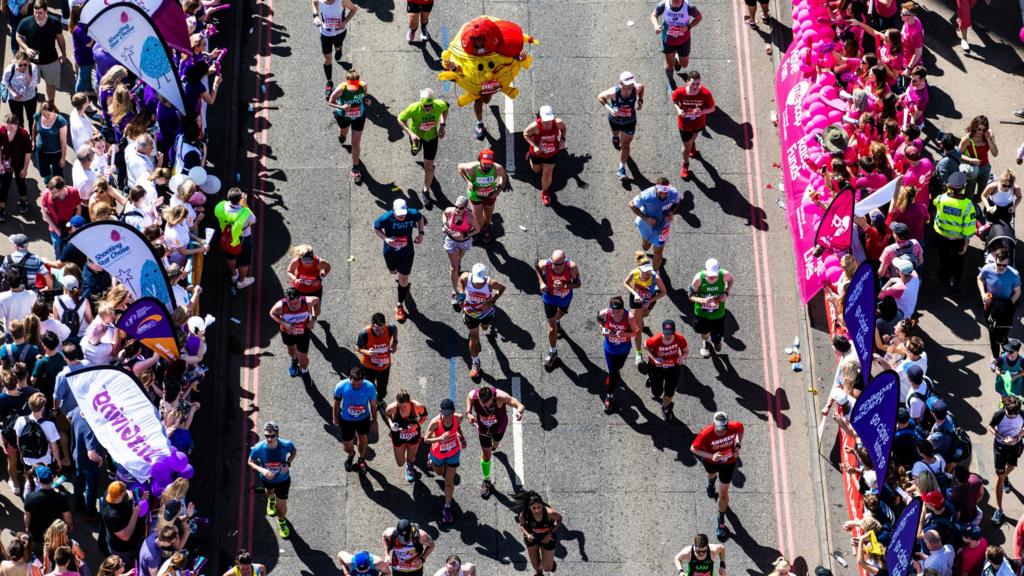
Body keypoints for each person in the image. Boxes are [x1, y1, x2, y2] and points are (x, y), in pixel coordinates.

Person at [691, 411, 744, 540]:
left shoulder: (735, 426)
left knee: (724, 494)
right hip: (711, 462)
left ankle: (720, 520)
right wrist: (711, 456)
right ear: (714, 424)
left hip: (729, 462)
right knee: (711, 475)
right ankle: (710, 483)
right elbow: (693, 449)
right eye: (719, 430)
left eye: (724, 429)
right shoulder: (705, 434)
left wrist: (737, 447)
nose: (722, 432)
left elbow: (741, 431)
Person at [465, 384, 524, 499]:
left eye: (489, 404)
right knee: (486, 455)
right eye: (484, 405)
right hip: (483, 430)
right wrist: (468, 412)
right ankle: (487, 480)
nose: (487, 407)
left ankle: (495, 447)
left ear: (493, 397)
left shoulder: (501, 396)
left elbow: (519, 405)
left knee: (496, 444)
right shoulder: (474, 395)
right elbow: (469, 397)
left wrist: (519, 412)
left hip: (499, 427)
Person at [373, 198, 425, 323]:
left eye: (403, 214)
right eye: (399, 214)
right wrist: (385, 239)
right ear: (394, 211)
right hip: (390, 252)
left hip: (407, 252)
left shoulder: (412, 213)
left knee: (403, 279)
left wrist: (421, 233)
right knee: (393, 272)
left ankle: (399, 305)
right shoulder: (386, 217)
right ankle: (401, 281)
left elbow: (420, 218)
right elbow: (375, 227)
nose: (402, 217)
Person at [398, 89, 448, 207]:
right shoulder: (413, 108)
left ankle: (425, 191)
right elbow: (400, 118)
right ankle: (416, 149)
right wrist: (410, 133)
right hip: (417, 136)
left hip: (432, 138)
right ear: (421, 103)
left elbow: (445, 109)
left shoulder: (439, 104)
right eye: (425, 106)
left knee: (429, 166)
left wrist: (442, 125)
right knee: (415, 152)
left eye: (430, 105)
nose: (428, 108)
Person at [247, 421, 296, 538]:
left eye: (272, 436)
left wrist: (288, 463)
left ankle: (281, 521)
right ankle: (271, 500)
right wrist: (262, 470)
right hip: (267, 480)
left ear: (277, 434)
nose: (269, 439)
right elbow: (250, 461)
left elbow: (293, 451)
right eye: (267, 436)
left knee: (281, 507)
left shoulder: (286, 444)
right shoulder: (258, 448)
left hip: (283, 480)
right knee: (269, 493)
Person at [459, 263, 505, 379]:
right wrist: (463, 293)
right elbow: (461, 280)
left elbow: (502, 288)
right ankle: (475, 362)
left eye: (480, 281)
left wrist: (492, 301)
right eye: (476, 280)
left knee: (485, 328)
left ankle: (486, 333)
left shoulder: (491, 283)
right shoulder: (466, 277)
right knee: (474, 337)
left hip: (486, 314)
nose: (478, 283)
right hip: (470, 312)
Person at [535, 250, 581, 367]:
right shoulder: (547, 264)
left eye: (558, 265)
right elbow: (536, 264)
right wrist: (541, 282)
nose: (555, 267)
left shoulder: (572, 267)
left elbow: (578, 284)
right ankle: (553, 351)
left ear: (564, 262)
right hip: (549, 298)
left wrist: (564, 285)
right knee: (551, 328)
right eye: (554, 264)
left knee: (560, 314)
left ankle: (557, 322)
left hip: (564, 298)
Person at [932, 171, 976, 292]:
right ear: (963, 187)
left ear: (949, 186)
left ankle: (943, 277)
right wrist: (966, 244)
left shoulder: (941, 199)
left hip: (941, 238)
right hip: (958, 241)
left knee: (944, 258)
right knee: (958, 264)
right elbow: (969, 228)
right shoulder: (967, 205)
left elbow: (935, 202)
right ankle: (955, 283)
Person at [15, 0, 66, 103]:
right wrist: (27, 49)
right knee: (31, 83)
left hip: (51, 60)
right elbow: (18, 36)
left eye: (40, 13)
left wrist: (63, 53)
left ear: (46, 11)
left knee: (50, 84)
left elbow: (60, 38)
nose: (37, 15)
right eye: (35, 12)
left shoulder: (55, 22)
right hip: (32, 62)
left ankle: (51, 103)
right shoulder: (26, 22)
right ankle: (33, 99)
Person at [597, 71, 645, 179]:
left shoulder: (636, 88)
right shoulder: (614, 92)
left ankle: (621, 168)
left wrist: (640, 100)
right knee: (616, 133)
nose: (630, 87)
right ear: (621, 83)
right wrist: (609, 109)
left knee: (625, 145)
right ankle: (614, 136)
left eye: (632, 84)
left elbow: (642, 87)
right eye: (627, 84)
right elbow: (600, 97)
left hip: (630, 121)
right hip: (615, 120)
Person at [425, 398, 465, 523]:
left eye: (450, 414)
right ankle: (431, 461)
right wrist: (440, 438)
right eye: (445, 414)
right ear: (440, 412)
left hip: (453, 452)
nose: (448, 417)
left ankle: (447, 508)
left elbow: (457, 428)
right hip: (438, 454)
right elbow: (426, 439)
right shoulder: (435, 422)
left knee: (449, 482)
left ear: (453, 412)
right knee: (439, 472)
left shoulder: (458, 418)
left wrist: (462, 438)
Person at [269, 287, 319, 386]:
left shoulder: (308, 302)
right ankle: (294, 361)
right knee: (291, 352)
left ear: (300, 298)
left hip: (303, 333)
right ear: (286, 300)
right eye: (290, 304)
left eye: (296, 303)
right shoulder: (280, 306)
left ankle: (304, 371)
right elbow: (272, 313)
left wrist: (313, 319)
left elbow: (317, 301)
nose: (293, 306)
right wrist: (284, 324)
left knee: (303, 359)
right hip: (288, 333)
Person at [623, 252, 667, 365]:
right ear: (639, 269)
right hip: (636, 300)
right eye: (645, 270)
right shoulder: (634, 273)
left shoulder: (655, 277)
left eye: (649, 269)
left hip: (649, 300)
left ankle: (640, 319)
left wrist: (650, 301)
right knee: (638, 329)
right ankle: (638, 354)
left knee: (644, 315)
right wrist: (635, 294)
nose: (648, 273)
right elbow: (625, 283)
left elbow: (663, 292)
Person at [978, 248, 1021, 365]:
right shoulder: (987, 269)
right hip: (990, 305)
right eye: (999, 264)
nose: (1001, 267)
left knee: (1003, 335)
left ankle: (1007, 355)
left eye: (1004, 265)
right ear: (995, 260)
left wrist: (1009, 304)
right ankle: (996, 358)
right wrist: (983, 294)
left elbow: (1017, 291)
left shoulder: (1014, 274)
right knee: (992, 334)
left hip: (1005, 307)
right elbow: (980, 279)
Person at [327, 69, 371, 182]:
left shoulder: (363, 85)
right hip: (343, 116)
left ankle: (355, 168)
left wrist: (366, 100)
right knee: (344, 132)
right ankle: (342, 135)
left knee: (355, 143)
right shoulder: (341, 88)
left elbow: (364, 96)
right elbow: (330, 102)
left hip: (359, 117)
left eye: (355, 86)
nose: (353, 89)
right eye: (351, 86)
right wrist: (341, 107)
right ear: (347, 82)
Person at [333, 366, 378, 474]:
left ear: (363, 380)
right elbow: (337, 402)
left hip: (363, 419)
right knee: (347, 446)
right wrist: (335, 417)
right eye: (353, 384)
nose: (356, 386)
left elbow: (373, 405)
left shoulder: (370, 387)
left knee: (363, 439)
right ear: (349, 379)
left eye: (359, 384)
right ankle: (351, 454)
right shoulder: (341, 386)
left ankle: (361, 459)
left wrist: (375, 421)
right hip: (346, 420)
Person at [597, 295, 638, 413]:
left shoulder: (629, 317)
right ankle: (609, 397)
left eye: (618, 311)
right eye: (613, 311)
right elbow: (598, 317)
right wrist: (602, 328)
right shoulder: (606, 312)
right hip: (609, 348)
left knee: (618, 367)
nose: (615, 314)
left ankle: (616, 373)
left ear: (623, 309)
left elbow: (635, 332)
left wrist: (624, 334)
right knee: (612, 372)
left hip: (623, 348)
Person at [671, 70, 715, 179]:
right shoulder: (680, 92)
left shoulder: (706, 93)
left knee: (692, 139)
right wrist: (678, 109)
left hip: (698, 123)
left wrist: (702, 112)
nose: (695, 87)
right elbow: (674, 100)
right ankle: (685, 165)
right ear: (687, 82)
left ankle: (693, 144)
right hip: (684, 124)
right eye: (692, 84)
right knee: (687, 146)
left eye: (697, 84)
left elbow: (712, 108)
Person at [650, 0, 702, 90]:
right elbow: (653, 15)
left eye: (677, 1)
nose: (675, 3)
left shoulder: (689, 7)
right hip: (668, 40)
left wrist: (688, 27)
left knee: (684, 65)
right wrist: (656, 25)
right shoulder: (663, 5)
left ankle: (676, 58)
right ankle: (671, 80)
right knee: (670, 65)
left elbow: (699, 17)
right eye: (673, 1)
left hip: (683, 40)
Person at [457, 149, 507, 243]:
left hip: (490, 196)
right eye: (485, 163)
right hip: (476, 196)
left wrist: (498, 190)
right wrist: (468, 182)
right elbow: (459, 167)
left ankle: (486, 229)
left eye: (489, 163)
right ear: (480, 160)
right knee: (478, 221)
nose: (487, 166)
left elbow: (504, 177)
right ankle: (476, 231)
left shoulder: (497, 168)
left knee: (488, 218)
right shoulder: (472, 167)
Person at [629, 178, 679, 271]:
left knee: (659, 251)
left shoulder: (674, 192)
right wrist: (645, 218)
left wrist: (671, 212)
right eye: (660, 193)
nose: (663, 196)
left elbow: (676, 203)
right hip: (646, 224)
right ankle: (645, 246)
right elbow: (631, 204)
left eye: (666, 193)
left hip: (663, 227)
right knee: (646, 245)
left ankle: (655, 274)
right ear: (656, 189)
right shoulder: (647, 195)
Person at [644, 319, 689, 420]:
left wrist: (682, 357)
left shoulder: (680, 338)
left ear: (674, 331)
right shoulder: (655, 340)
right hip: (656, 368)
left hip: (673, 368)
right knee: (657, 393)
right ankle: (651, 379)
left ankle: (665, 408)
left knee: (670, 391)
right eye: (666, 333)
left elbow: (686, 351)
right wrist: (654, 359)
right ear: (662, 331)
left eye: (670, 333)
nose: (668, 336)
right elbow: (645, 346)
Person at [15, 392, 61, 492]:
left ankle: (31, 493)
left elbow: (18, 442)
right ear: (43, 407)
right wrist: (58, 460)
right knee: (46, 481)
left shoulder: (20, 421)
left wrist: (21, 456)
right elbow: (54, 447)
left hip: (28, 460)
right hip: (46, 461)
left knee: (30, 479)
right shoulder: (49, 425)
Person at [989, 396, 1024, 524]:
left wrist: (1016, 438)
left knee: (1011, 466)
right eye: (1009, 415)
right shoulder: (1000, 414)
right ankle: (999, 509)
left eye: (1013, 416)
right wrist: (1001, 437)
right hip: (1000, 447)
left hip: (1015, 446)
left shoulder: (1021, 414)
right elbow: (990, 427)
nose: (1011, 417)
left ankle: (1004, 478)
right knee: (1000, 476)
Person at [689, 258, 734, 358]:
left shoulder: (725, 274)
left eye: (714, 275)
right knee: (704, 331)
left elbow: (731, 280)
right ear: (705, 270)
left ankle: (716, 341)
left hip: (718, 314)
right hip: (702, 314)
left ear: (719, 270)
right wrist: (702, 301)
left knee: (718, 333)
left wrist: (726, 293)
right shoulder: (698, 279)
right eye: (709, 276)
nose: (712, 278)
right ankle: (706, 342)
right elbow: (691, 296)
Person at [312, 0, 357, 99]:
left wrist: (345, 22)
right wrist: (315, 16)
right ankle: (329, 82)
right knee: (327, 59)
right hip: (325, 34)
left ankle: (338, 49)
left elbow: (354, 9)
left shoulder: (342, 1)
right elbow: (314, 2)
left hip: (339, 33)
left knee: (337, 47)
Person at [215, 188, 257, 292]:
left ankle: (234, 275)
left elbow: (217, 214)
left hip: (226, 236)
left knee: (230, 256)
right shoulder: (245, 212)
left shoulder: (220, 206)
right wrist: (245, 204)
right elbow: (253, 220)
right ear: (240, 199)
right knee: (244, 261)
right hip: (243, 238)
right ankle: (241, 282)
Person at [523, 105, 567, 206]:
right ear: (540, 118)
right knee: (536, 170)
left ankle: (545, 192)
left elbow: (564, 129)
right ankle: (529, 154)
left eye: (550, 120)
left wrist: (562, 140)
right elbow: (525, 134)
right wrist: (533, 146)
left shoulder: (558, 123)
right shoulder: (535, 126)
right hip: (537, 153)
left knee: (547, 172)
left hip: (551, 153)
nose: (548, 123)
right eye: (545, 121)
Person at [441, 195, 479, 305]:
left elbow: (477, 229)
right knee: (454, 267)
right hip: (451, 241)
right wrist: (445, 225)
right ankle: (454, 292)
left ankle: (458, 262)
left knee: (459, 258)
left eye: (461, 208)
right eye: (456, 206)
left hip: (464, 242)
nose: (457, 210)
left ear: (465, 208)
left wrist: (467, 234)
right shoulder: (450, 211)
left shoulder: (470, 217)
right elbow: (444, 213)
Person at [356, 312, 397, 412]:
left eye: (382, 329)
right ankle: (371, 401)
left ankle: (379, 400)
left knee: (382, 390)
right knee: (369, 387)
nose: (381, 332)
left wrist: (395, 343)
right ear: (372, 324)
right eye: (377, 330)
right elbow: (357, 347)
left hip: (384, 367)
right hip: (368, 367)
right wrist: (367, 352)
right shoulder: (364, 333)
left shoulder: (390, 328)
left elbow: (395, 329)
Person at [385, 389, 427, 483]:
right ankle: (407, 461)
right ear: (397, 402)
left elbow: (424, 417)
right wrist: (391, 424)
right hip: (398, 436)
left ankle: (409, 467)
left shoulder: (417, 406)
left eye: (404, 406)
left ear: (409, 402)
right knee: (400, 463)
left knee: (410, 458)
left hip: (413, 435)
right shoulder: (392, 407)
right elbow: (387, 415)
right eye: (400, 406)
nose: (402, 408)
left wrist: (417, 425)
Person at [516, 490, 561, 576]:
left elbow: (559, 519)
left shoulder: (549, 513)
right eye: (534, 508)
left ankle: (549, 560)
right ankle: (539, 573)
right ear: (529, 507)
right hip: (532, 538)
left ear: (542, 505)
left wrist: (550, 533)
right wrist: (527, 534)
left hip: (547, 538)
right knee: (536, 565)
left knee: (547, 568)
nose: (537, 510)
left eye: (539, 507)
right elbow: (522, 525)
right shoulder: (524, 514)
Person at [24, 465, 71, 544]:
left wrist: (27, 527)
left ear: (38, 480)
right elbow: (67, 515)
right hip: (55, 531)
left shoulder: (29, 497)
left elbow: (27, 516)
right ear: (52, 478)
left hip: (37, 533)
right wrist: (69, 526)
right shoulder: (62, 497)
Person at [100, 481, 144, 567]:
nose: (127, 491)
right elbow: (126, 536)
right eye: (125, 490)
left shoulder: (110, 494)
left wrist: (136, 496)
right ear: (121, 494)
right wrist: (135, 513)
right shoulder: (112, 516)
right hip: (123, 549)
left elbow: (128, 493)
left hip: (133, 542)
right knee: (126, 567)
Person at [0, 114, 34, 220]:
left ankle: (23, 202)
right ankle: (1, 209)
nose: (9, 128)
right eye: (7, 125)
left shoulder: (23, 134)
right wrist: (0, 163)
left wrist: (25, 168)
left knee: (20, 183)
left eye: (12, 127)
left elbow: (28, 153)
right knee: (4, 185)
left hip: (19, 163)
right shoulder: (1, 131)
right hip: (6, 162)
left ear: (17, 125)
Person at [40, 176, 82, 257]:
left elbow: (78, 208)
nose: (52, 194)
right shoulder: (46, 195)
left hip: (71, 228)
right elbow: (44, 213)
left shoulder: (73, 192)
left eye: (55, 192)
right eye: (51, 191)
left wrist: (75, 226)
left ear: (62, 188)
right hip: (55, 230)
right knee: (58, 250)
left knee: (71, 250)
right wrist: (57, 230)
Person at [960, 115, 998, 201]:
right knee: (969, 193)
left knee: (982, 192)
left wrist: (988, 139)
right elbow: (958, 154)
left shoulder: (989, 134)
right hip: (972, 168)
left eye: (983, 129)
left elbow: (995, 153)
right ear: (974, 127)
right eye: (978, 129)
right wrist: (971, 160)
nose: (980, 132)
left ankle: (977, 204)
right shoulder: (967, 138)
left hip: (985, 168)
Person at [32, 100, 68, 186]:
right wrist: (33, 140)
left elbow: (63, 142)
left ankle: (59, 187)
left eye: (48, 114)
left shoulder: (60, 121)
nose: (45, 116)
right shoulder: (38, 116)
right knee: (44, 171)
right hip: (41, 150)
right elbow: (34, 128)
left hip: (56, 152)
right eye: (43, 114)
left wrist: (63, 158)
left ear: (53, 111)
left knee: (57, 173)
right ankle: (48, 184)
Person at [2, 54, 41, 135]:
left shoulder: (33, 68)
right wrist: (13, 92)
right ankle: (22, 138)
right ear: (15, 62)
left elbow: (33, 85)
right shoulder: (10, 69)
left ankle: (33, 137)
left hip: (30, 98)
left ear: (28, 63)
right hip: (14, 100)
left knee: (31, 119)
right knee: (18, 121)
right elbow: (5, 82)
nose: (23, 66)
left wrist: (27, 74)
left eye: (25, 64)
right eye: (20, 64)